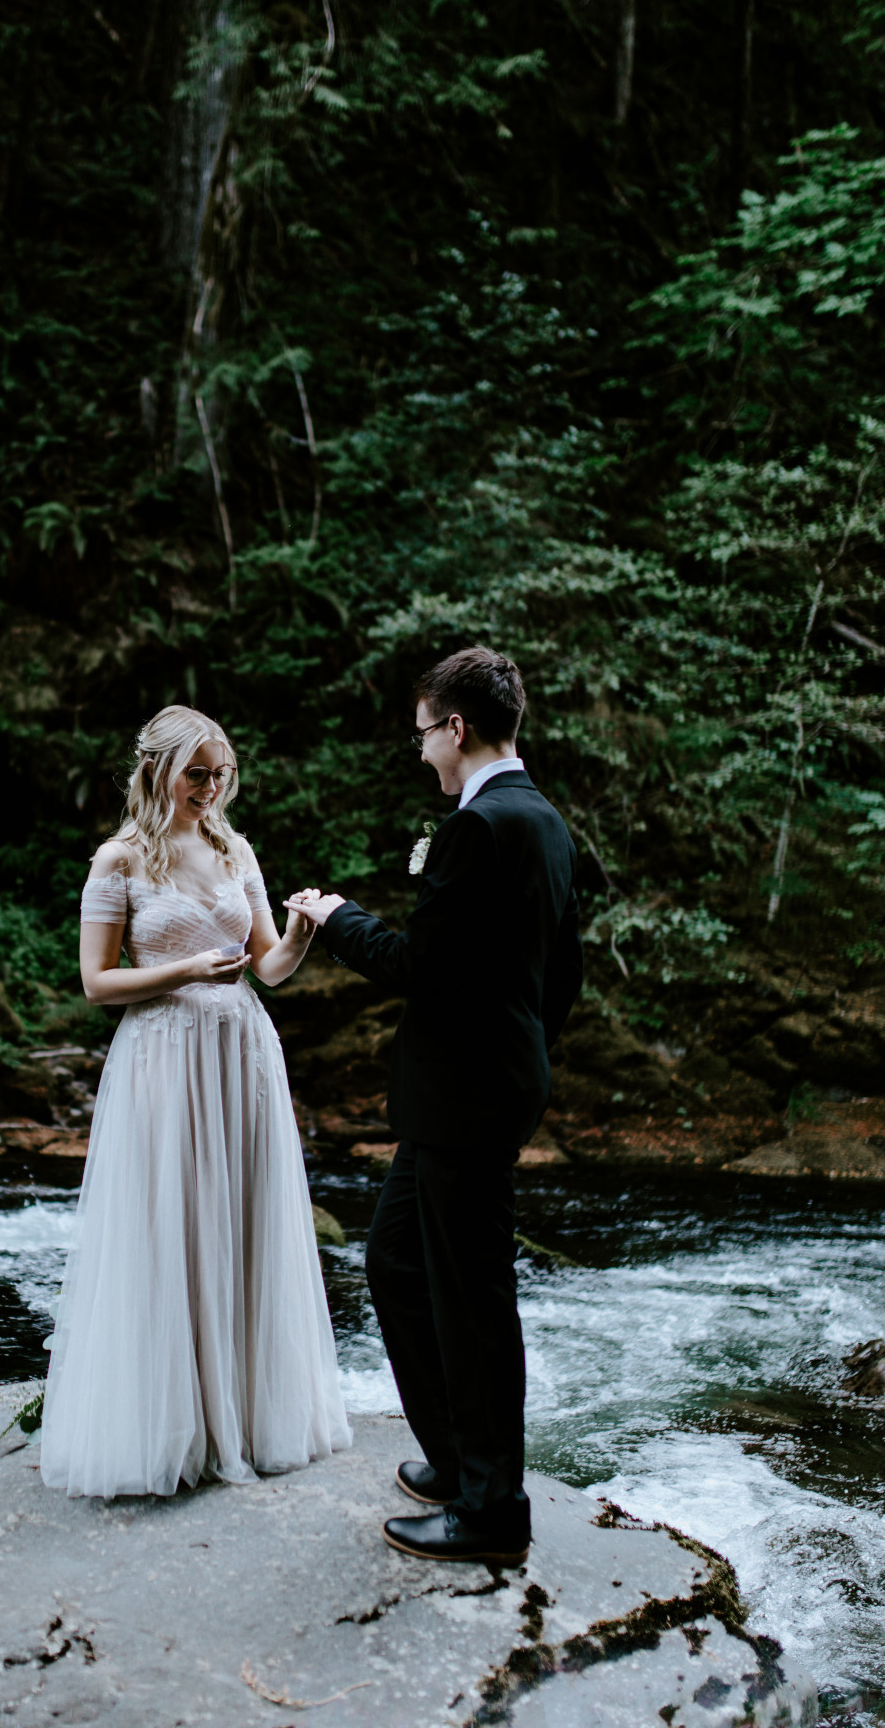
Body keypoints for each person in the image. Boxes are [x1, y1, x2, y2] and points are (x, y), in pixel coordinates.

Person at [286, 647, 581, 1567]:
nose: (419, 752)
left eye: (423, 733)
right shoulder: (545, 822)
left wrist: (337, 918)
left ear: (456, 727)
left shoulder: (479, 827)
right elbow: (560, 973)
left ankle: (493, 1514)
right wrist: (523, 1047)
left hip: (465, 1095)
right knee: (398, 1262)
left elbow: (422, 966)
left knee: (472, 1299)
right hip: (484, 1085)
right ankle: (458, 1461)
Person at [39, 705, 353, 1499]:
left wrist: (301, 933)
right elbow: (96, 983)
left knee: (244, 1220)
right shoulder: (118, 861)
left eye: (221, 774)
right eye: (197, 774)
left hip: (241, 1050)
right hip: (164, 1055)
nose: (212, 789)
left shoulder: (232, 846)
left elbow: (267, 968)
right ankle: (174, 1426)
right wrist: (182, 972)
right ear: (158, 771)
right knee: (173, 1226)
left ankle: (243, 1421)